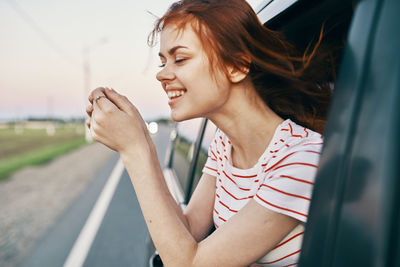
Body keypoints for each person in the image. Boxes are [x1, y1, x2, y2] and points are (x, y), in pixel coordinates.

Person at [86, 0, 333, 266]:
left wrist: (133, 150)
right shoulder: (224, 144)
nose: (162, 76)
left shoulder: (300, 162)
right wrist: (142, 138)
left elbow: (189, 263)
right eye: (162, 63)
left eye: (179, 59)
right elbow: (191, 228)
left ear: (236, 66)